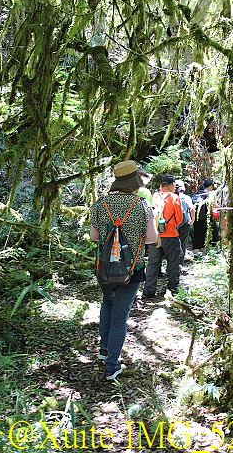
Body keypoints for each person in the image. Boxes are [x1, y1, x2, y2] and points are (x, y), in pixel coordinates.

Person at [90, 160, 158, 380]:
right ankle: (111, 365)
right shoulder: (142, 205)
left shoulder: (100, 204)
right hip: (132, 268)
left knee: (107, 304)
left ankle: (104, 351)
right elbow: (151, 238)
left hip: (105, 267)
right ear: (135, 181)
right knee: (120, 317)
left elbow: (94, 237)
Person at [142, 174, 183, 299]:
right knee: (173, 262)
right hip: (170, 235)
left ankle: (148, 290)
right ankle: (172, 289)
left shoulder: (154, 197)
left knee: (153, 263)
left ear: (161, 185)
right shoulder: (174, 197)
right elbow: (179, 219)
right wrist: (171, 226)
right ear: (171, 185)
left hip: (155, 235)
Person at [192, 178, 220, 256]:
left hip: (197, 219)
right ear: (210, 186)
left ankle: (196, 254)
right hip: (207, 218)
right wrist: (223, 208)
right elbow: (216, 206)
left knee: (198, 235)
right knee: (213, 232)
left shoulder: (197, 194)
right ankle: (215, 250)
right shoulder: (210, 194)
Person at [174, 179, 195, 269]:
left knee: (173, 243)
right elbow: (191, 208)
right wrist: (193, 220)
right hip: (185, 222)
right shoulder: (186, 197)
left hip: (174, 223)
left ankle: (172, 265)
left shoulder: (172, 197)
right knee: (183, 243)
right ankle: (180, 264)